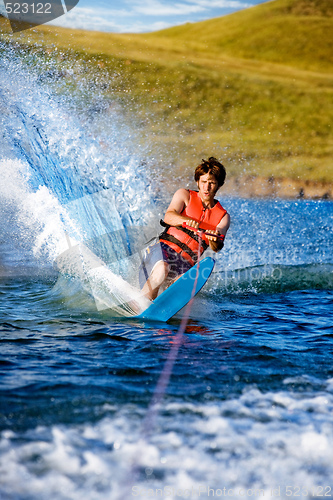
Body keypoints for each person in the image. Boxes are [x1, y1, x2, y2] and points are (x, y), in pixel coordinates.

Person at [139, 157, 230, 300]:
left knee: (181, 285)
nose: (207, 187)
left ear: (219, 185)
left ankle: (158, 308)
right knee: (163, 269)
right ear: (198, 182)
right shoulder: (184, 195)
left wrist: (214, 239)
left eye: (212, 183)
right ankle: (142, 303)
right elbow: (169, 216)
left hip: (185, 263)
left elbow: (217, 246)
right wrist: (185, 220)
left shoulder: (223, 217)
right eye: (204, 182)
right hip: (162, 251)